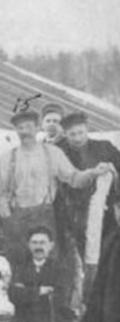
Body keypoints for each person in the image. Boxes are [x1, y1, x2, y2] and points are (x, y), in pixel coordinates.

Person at [0, 109, 107, 253]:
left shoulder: (52, 153)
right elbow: (1, 192)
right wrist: (6, 214)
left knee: (47, 261)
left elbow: (74, 178)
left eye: (29, 127)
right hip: (17, 217)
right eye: (20, 128)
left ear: (38, 128)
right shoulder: (8, 157)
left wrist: (93, 172)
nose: (25, 132)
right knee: (19, 261)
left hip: (44, 216)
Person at [55, 112, 120, 262]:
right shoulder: (58, 151)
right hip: (71, 211)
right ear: (65, 134)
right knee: (78, 255)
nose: (78, 138)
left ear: (87, 130)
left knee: (107, 251)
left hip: (104, 211)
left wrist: (112, 172)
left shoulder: (104, 147)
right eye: (72, 134)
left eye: (81, 133)